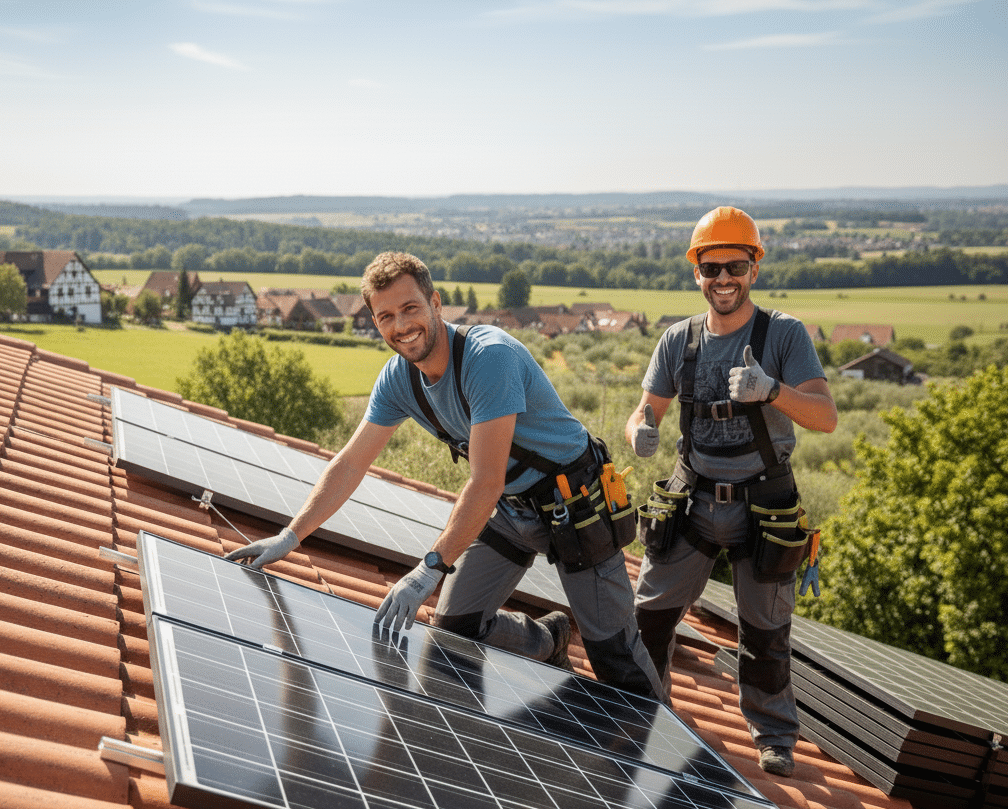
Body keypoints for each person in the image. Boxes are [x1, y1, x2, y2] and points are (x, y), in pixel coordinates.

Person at [227, 251, 666, 702]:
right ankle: (549, 640)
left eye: (410, 308)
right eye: (386, 316)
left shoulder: (487, 358)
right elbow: (351, 463)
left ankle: (680, 766)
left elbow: (485, 481)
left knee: (614, 655)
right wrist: (290, 536)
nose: (400, 326)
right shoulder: (399, 380)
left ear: (436, 303)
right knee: (457, 628)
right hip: (511, 511)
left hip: (576, 506)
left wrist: (429, 570)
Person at [625, 207, 838, 777]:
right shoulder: (679, 341)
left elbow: (825, 417)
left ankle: (773, 734)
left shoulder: (783, 335)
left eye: (735, 266)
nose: (724, 279)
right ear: (697, 272)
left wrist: (772, 391)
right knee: (650, 617)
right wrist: (641, 430)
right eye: (712, 267)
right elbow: (646, 409)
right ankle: (646, 707)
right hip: (691, 497)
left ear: (754, 269)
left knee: (765, 630)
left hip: (763, 502)